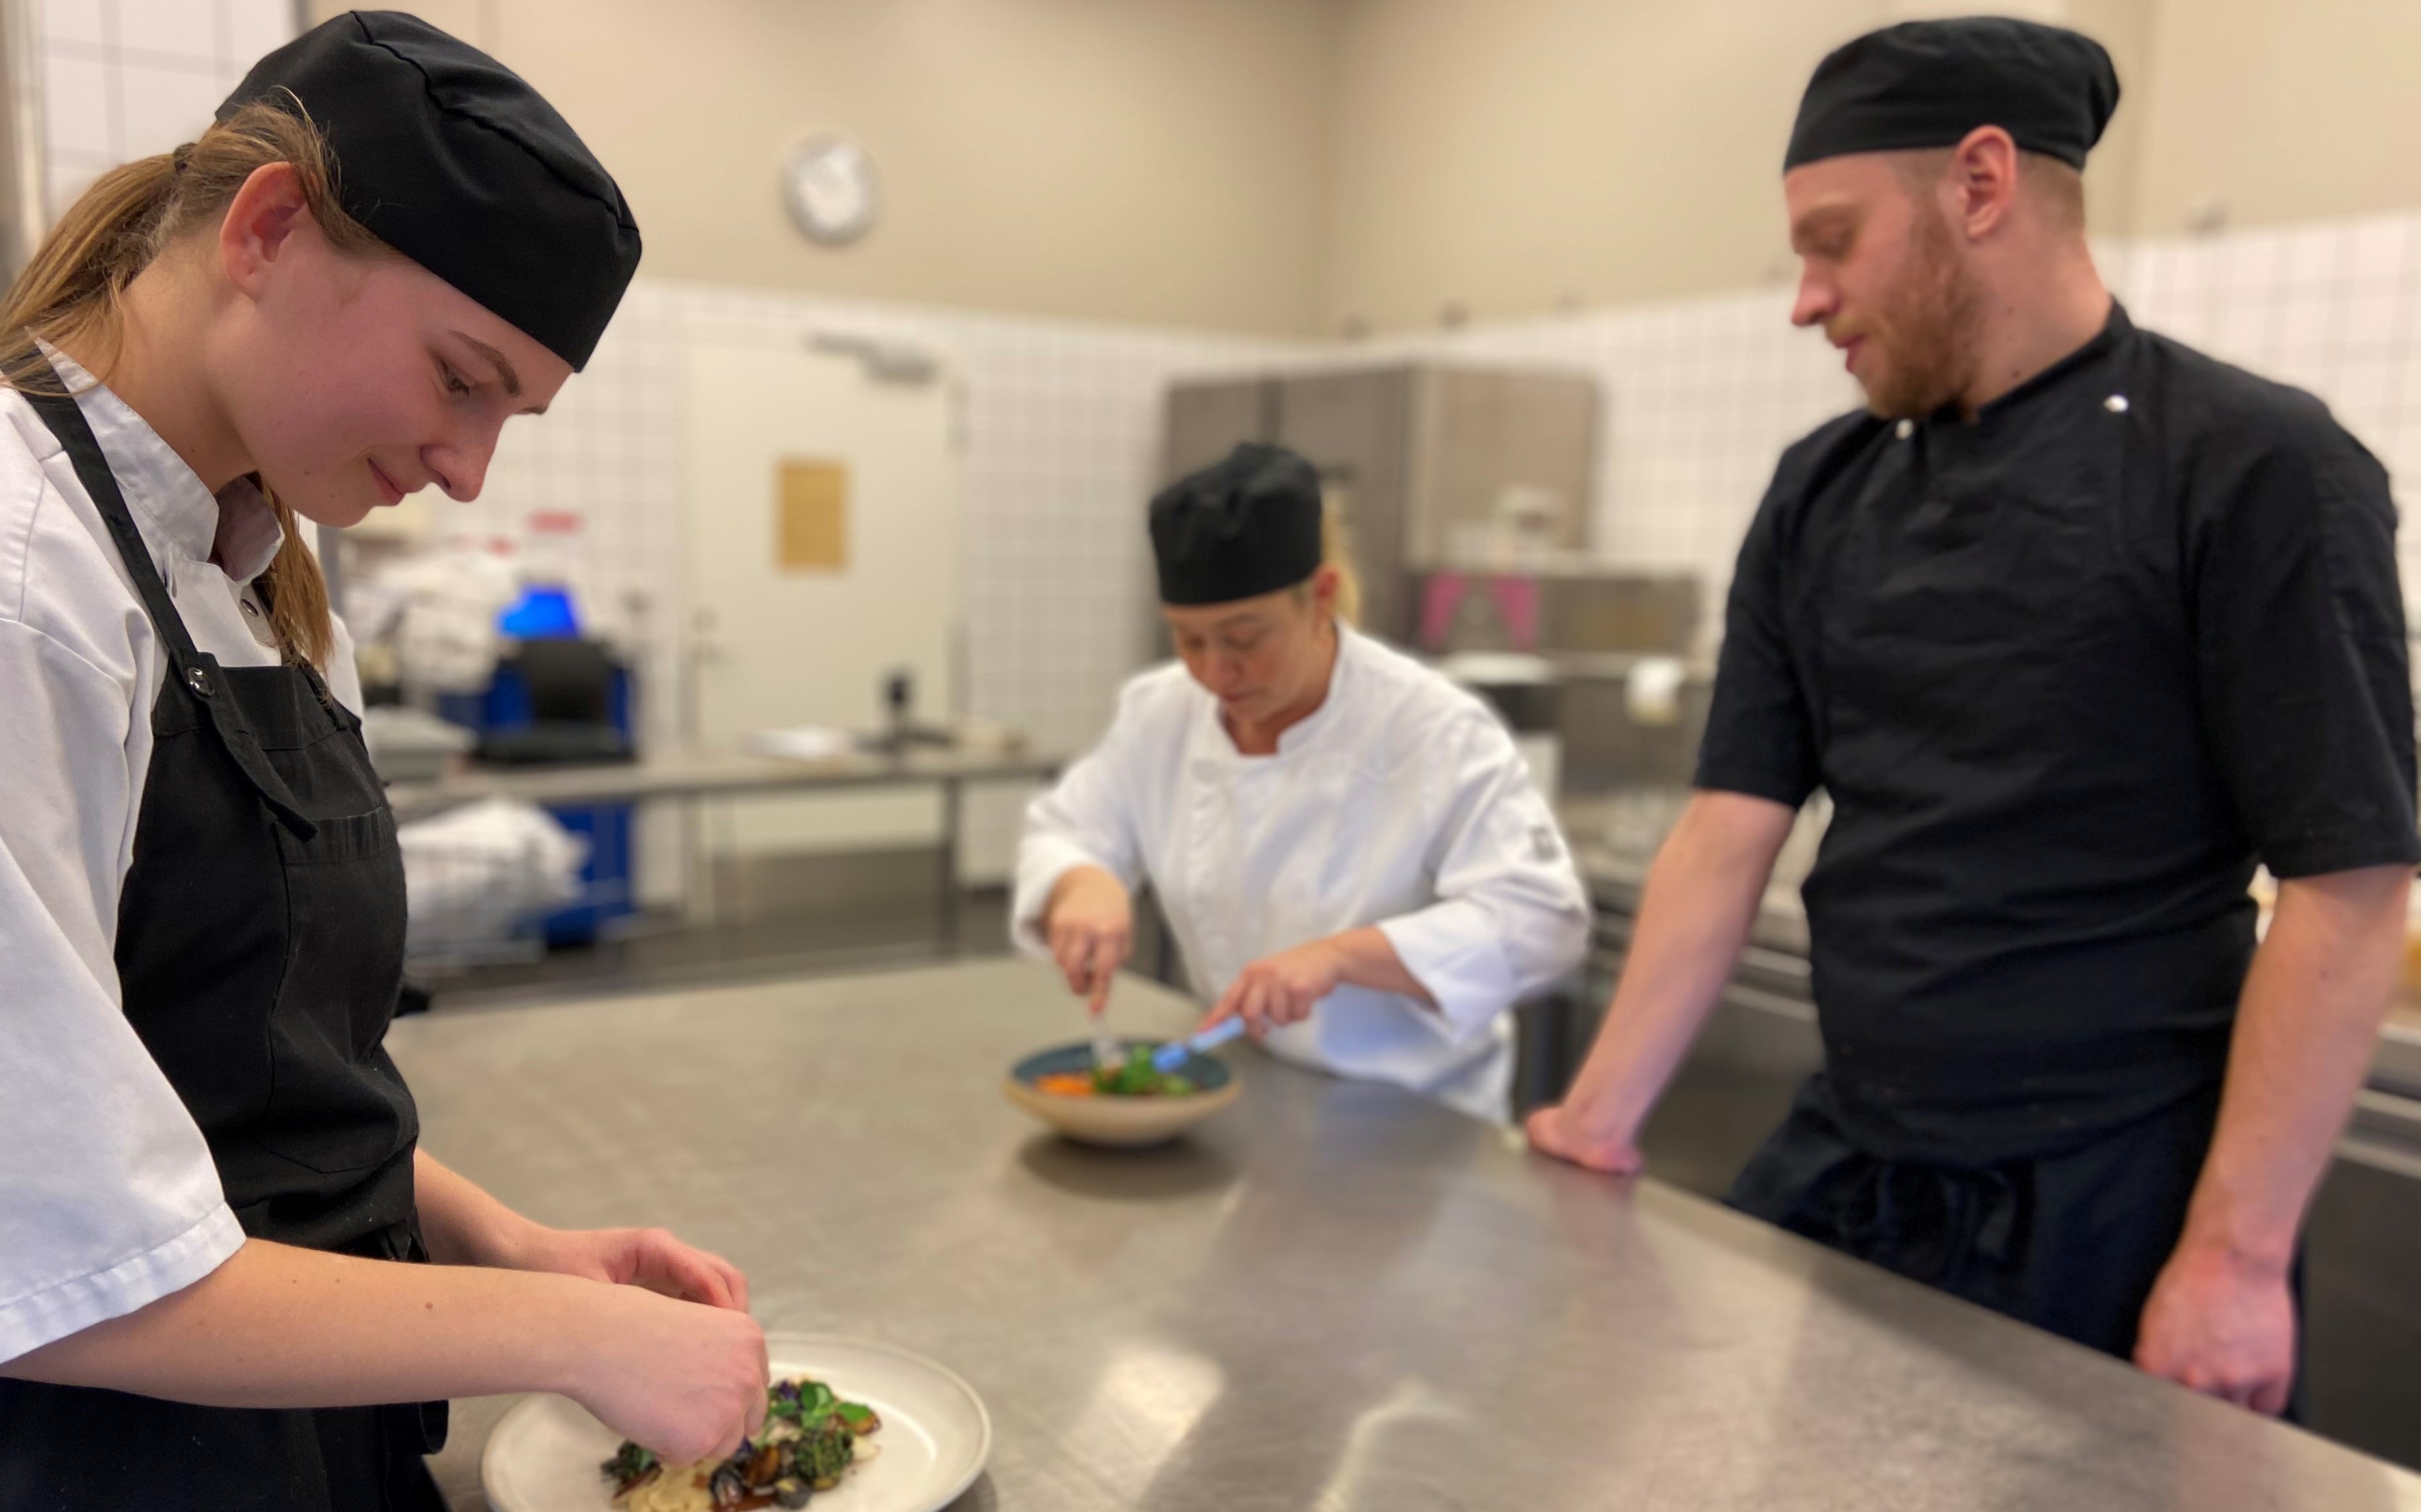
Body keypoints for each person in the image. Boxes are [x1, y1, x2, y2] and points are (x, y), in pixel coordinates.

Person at [0, 16, 767, 1508]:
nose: (469, 472)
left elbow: (238, 1078)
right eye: (461, 379)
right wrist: (568, 1334)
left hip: (292, 1432)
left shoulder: (256, 580)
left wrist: (511, 1248)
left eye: (509, 415)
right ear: (266, 231)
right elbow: (38, 1258)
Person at [1526, 17, 2417, 1416]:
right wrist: (1596, 1114)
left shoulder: (2251, 468)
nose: (1804, 300)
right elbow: (1729, 821)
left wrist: (2234, 1260)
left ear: (1981, 184)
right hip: (1857, 1156)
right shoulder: (1820, 490)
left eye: (1832, 242)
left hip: (2115, 1201)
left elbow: (2348, 883)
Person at [1016, 443, 1591, 1122]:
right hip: (1246, 1087)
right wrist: (1081, 883)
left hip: (1414, 1115)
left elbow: (1542, 920)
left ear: (1319, 599)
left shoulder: (1432, 728)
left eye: (1243, 638)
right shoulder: (1161, 711)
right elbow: (1067, 828)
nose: (1214, 672)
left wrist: (1342, 956)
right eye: (1188, 639)